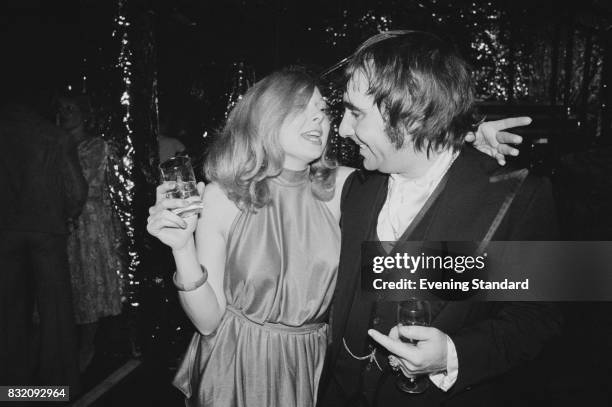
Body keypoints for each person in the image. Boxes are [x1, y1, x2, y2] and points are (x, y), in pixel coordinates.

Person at [146, 67, 528, 407]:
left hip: (315, 362)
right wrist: (182, 247)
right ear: (264, 115)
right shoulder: (222, 195)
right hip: (241, 360)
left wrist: (465, 140)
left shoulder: (345, 186)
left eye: (323, 111)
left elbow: (415, 166)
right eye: (301, 108)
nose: (321, 119)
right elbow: (210, 323)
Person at [317, 31, 561, 407]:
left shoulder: (515, 195)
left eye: (355, 113)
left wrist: (453, 353)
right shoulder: (358, 189)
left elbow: (540, 316)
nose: (344, 129)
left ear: (412, 112)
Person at [0, 96, 87, 392]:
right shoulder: (55, 136)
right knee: (56, 312)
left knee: (8, 309)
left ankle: (12, 386)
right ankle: (57, 387)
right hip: (47, 230)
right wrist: (68, 215)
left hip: (5, 231)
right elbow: (75, 190)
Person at [57, 94, 124, 372]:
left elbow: (85, 184)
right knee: (68, 286)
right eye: (61, 108)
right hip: (62, 222)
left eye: (70, 108)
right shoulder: (54, 141)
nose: (65, 112)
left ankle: (87, 346)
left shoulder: (97, 145)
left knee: (89, 285)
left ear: (84, 114)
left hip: (91, 222)